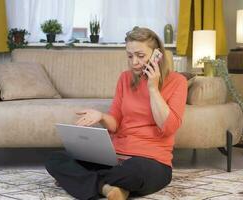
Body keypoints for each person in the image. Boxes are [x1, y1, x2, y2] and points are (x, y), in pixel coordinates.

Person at [45, 27, 187, 200]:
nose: (134, 62)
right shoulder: (125, 78)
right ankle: (109, 188)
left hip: (150, 162)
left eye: (140, 56)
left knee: (133, 172)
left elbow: (168, 128)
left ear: (158, 55)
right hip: (116, 158)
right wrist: (102, 117)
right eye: (129, 56)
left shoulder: (178, 82)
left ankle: (84, 181)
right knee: (55, 159)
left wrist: (152, 88)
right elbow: (116, 124)